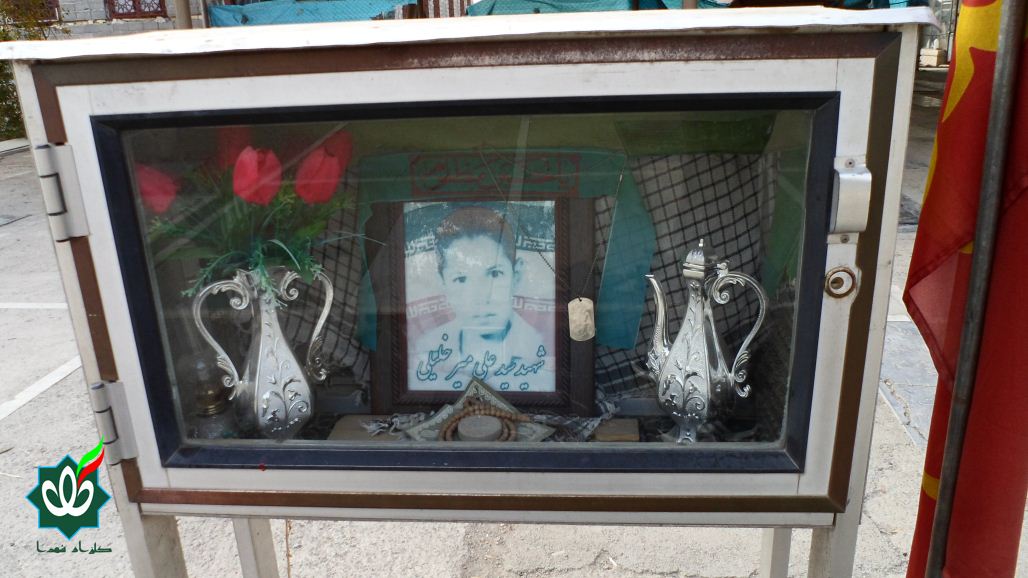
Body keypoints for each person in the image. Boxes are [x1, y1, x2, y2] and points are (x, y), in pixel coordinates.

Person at [408, 206, 555, 393]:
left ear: (516, 276)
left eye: (495, 274)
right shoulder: (426, 349)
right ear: (442, 283)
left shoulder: (543, 349)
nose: (480, 298)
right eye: (461, 279)